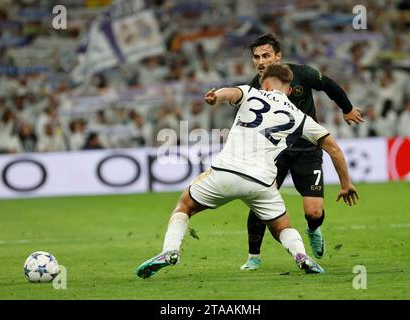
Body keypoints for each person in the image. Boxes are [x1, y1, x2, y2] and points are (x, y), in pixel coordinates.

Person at [135, 63, 358, 279]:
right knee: (282, 227)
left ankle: (171, 251)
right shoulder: (300, 117)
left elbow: (230, 93)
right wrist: (346, 184)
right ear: (289, 90)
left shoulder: (250, 92)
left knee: (184, 206)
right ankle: (300, 255)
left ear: (265, 86)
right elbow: (334, 149)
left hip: (225, 172)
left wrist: (215, 96)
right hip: (261, 183)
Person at [240, 34, 364, 271]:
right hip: (274, 153)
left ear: (278, 56)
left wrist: (347, 109)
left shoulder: (302, 74)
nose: (260, 61)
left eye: (266, 55)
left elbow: (328, 85)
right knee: (260, 202)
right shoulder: (254, 86)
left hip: (307, 149)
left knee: (314, 211)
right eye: (256, 57)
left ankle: (314, 229)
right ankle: (253, 256)